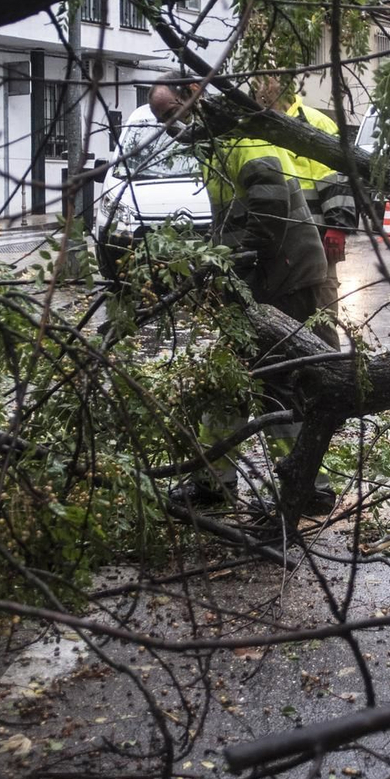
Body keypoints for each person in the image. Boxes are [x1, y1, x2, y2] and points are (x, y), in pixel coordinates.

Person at [148, 73, 333, 514]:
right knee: (228, 379)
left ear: (193, 94)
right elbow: (234, 218)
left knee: (278, 382)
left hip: (285, 276)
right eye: (161, 121)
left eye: (172, 114)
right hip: (263, 277)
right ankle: (214, 481)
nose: (170, 127)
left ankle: (309, 487)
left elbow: (269, 207)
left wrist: (226, 262)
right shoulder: (216, 141)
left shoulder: (239, 136)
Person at [253, 75, 352, 344]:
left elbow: (337, 177)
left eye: (266, 100)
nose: (263, 106)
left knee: (322, 310)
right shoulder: (262, 127)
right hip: (284, 240)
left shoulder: (315, 123)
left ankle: (331, 368)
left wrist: (338, 227)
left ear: (282, 97)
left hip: (320, 235)